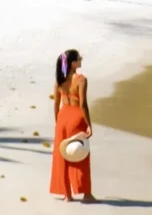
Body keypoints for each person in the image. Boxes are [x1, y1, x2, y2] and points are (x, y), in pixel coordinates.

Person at [50, 49, 95, 202]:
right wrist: (89, 124)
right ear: (73, 63)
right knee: (80, 153)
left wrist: (58, 121)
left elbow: (56, 103)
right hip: (76, 117)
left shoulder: (59, 81)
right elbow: (82, 104)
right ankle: (86, 194)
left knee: (63, 155)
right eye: (79, 58)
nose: (81, 60)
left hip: (62, 117)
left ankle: (67, 195)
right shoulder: (81, 80)